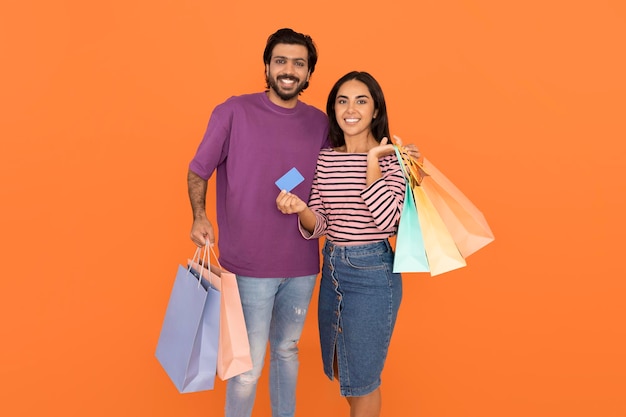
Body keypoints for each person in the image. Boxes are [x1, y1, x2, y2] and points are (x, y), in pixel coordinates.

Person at [187, 28, 329, 417]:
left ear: (308, 74)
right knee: (246, 369)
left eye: (298, 63)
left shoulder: (320, 124)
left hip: (301, 267)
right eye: (280, 61)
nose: (288, 70)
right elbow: (199, 169)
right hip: (248, 266)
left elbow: (337, 184)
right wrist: (199, 215)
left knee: (286, 351)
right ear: (267, 67)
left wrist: (394, 154)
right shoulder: (233, 111)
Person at [276, 71, 408, 417]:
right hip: (333, 269)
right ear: (333, 108)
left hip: (373, 273)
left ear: (376, 110)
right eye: (342, 100)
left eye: (361, 100)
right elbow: (321, 222)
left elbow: (390, 223)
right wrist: (301, 209)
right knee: (344, 372)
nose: (351, 109)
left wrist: (372, 163)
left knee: (363, 381)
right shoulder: (325, 158)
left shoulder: (392, 159)